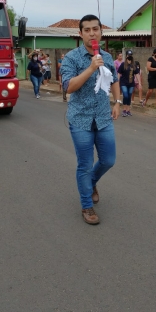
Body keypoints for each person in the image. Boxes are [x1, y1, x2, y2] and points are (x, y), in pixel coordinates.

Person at [60, 14, 121, 225]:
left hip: (104, 117)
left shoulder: (107, 56)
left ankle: (91, 183)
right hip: (80, 120)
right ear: (81, 34)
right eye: (87, 30)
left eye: (96, 29)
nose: (92, 33)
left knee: (108, 160)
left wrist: (118, 101)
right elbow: (68, 87)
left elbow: (113, 78)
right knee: (84, 165)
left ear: (101, 33)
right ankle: (86, 206)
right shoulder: (71, 58)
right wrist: (91, 68)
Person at [118, 50, 139, 117]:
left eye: (131, 55)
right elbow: (119, 73)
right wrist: (117, 81)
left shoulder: (133, 65)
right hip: (123, 82)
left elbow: (137, 74)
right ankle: (124, 110)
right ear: (126, 56)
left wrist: (140, 83)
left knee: (129, 96)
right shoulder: (123, 64)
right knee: (126, 95)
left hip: (131, 83)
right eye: (128, 55)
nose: (129, 56)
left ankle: (128, 110)